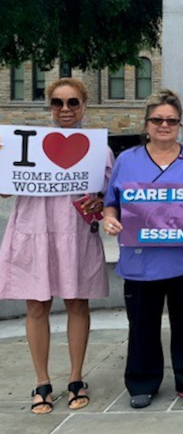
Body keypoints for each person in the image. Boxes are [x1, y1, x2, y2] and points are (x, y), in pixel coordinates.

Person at [103, 90, 183, 408]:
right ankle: (142, 381)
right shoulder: (127, 161)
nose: (164, 125)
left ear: (179, 125)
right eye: (157, 119)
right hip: (142, 262)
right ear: (146, 124)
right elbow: (111, 204)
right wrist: (110, 220)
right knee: (142, 325)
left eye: (171, 120)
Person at [0, 78, 112, 414]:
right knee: (37, 305)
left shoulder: (97, 147)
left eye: (73, 102)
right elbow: (5, 190)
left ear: (84, 105)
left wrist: (100, 200)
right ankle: (42, 382)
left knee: (78, 302)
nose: (65, 109)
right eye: (58, 103)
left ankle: (76, 377)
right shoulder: (26, 145)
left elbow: (108, 193)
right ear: (49, 106)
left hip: (74, 232)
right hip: (35, 229)